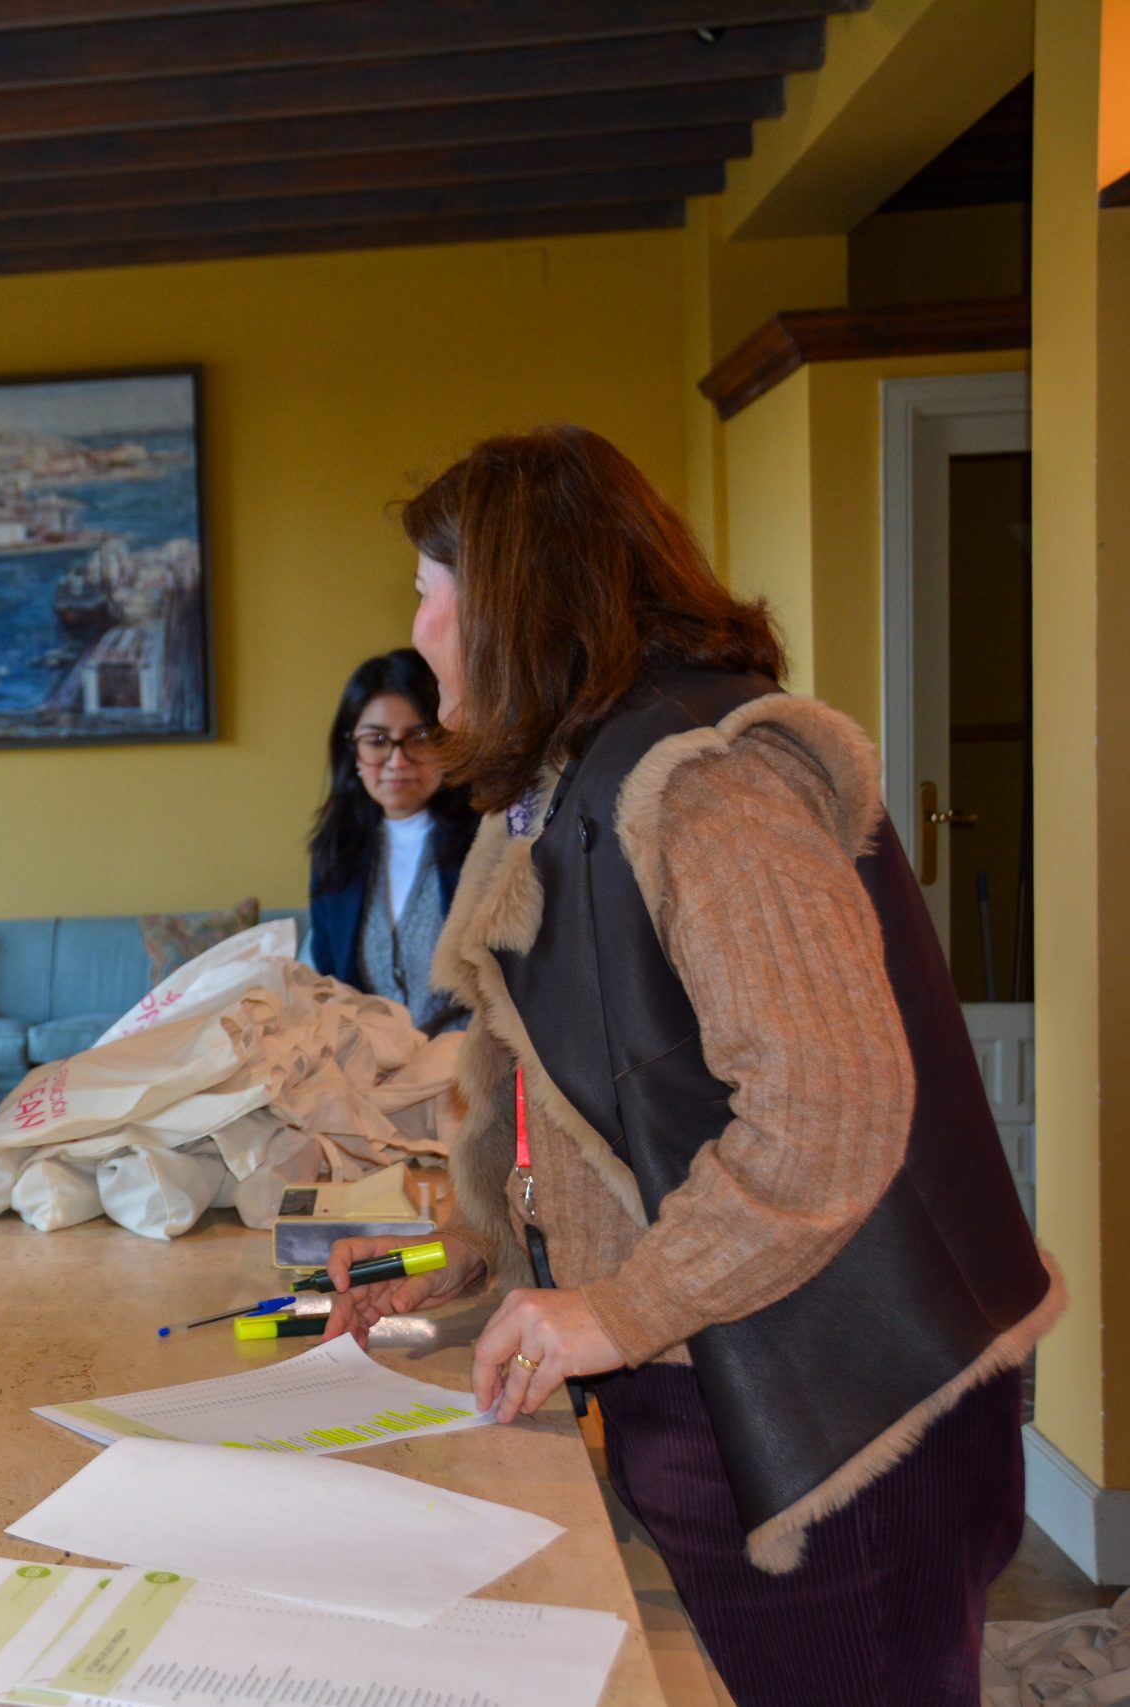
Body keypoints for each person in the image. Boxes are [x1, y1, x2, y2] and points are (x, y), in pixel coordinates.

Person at [320, 426, 1059, 1706]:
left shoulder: (708, 781)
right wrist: (459, 1257)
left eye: (431, 592)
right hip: (718, 1385)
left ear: (511, 602)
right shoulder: (562, 789)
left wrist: (613, 1311)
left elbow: (827, 1114)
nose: (421, 631)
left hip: (838, 1417)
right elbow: (592, 1116)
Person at [303, 648, 475, 1031]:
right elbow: (330, 987)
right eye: (377, 740)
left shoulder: (485, 842)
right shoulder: (334, 854)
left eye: (420, 737)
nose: (397, 761)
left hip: (471, 1061)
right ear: (353, 751)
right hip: (371, 1062)